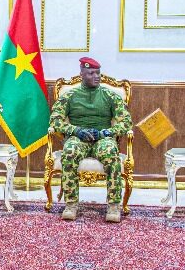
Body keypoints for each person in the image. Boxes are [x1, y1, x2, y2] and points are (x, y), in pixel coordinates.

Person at [49, 57, 132, 222]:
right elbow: (55, 121)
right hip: (79, 137)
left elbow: (126, 122)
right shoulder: (70, 96)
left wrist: (106, 133)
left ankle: (114, 205)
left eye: (98, 73)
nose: (96, 76)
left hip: (102, 137)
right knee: (69, 151)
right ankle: (71, 204)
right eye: (91, 73)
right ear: (82, 74)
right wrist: (75, 130)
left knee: (111, 152)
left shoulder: (110, 96)